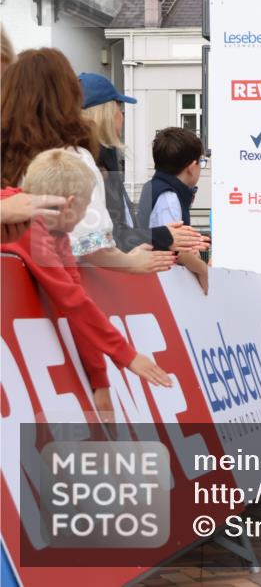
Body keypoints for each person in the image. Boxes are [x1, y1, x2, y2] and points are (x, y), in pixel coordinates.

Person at [1, 149, 173, 423]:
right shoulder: (34, 232)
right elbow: (72, 301)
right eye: (85, 209)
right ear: (69, 205)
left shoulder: (55, 235)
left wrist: (100, 379)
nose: (84, 219)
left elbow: (78, 301)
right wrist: (128, 356)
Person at [1, 48, 174, 275]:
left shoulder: (8, 154)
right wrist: (131, 262)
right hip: (50, 289)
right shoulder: (71, 158)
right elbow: (90, 242)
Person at [79, 73, 206, 255]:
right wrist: (165, 236)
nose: (122, 117)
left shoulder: (99, 160)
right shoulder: (90, 163)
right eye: (120, 110)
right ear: (107, 114)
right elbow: (101, 240)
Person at [137, 128, 210, 294]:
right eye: (201, 162)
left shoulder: (156, 188)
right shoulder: (169, 196)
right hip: (164, 285)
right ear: (192, 167)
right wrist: (201, 267)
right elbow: (175, 248)